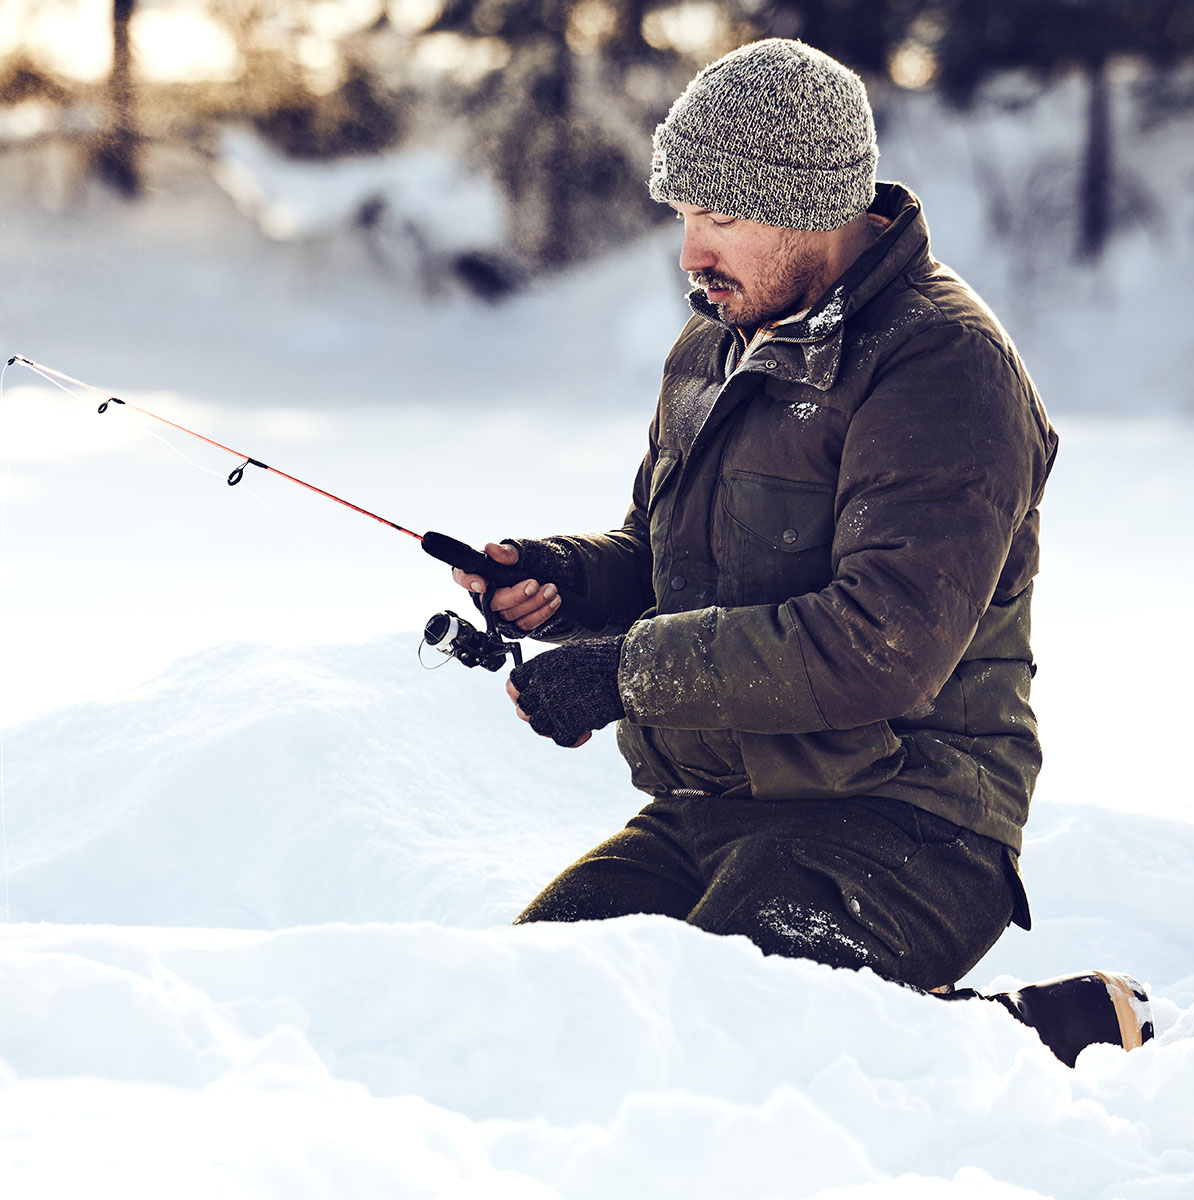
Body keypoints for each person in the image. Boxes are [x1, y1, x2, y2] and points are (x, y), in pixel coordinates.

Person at [453, 39, 1150, 1063]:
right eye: (684, 216)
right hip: (721, 805)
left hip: (909, 818)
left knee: (711, 1041)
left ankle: (1022, 1036)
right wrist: (563, 583)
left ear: (816, 206)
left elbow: (879, 642)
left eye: (721, 217)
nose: (691, 253)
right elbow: (668, 558)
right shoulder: (719, 336)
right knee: (524, 1017)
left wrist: (625, 675)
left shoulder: (944, 370)